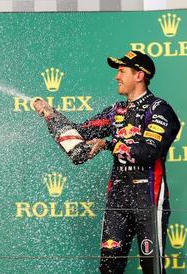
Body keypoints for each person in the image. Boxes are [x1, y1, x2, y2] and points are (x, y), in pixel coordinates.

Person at [33, 50, 180, 274]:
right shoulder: (115, 111)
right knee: (109, 267)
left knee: (152, 268)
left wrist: (108, 144)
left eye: (122, 71)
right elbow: (80, 134)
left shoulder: (159, 110)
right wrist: (51, 115)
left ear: (139, 75)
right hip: (117, 199)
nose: (116, 77)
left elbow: (148, 152)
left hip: (148, 198)